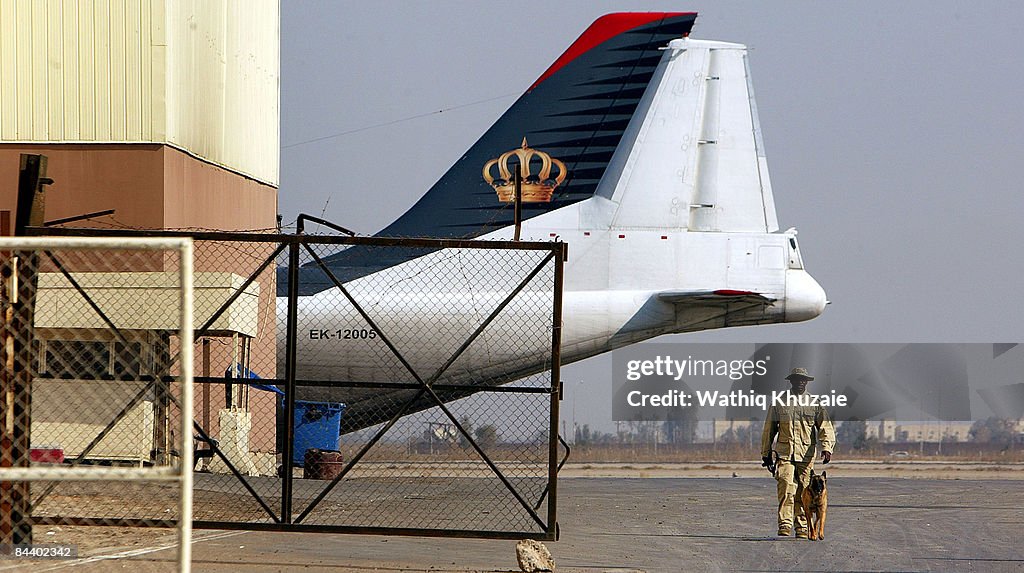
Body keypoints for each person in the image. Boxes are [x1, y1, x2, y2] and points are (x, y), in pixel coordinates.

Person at [760, 367, 835, 538]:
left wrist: (827, 447)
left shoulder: (815, 403)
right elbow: (769, 429)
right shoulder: (779, 402)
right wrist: (766, 453)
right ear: (791, 381)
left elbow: (825, 427)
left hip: (806, 454)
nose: (800, 382)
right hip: (784, 453)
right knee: (786, 485)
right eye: (797, 379)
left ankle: (801, 526)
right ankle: (785, 524)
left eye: (803, 379)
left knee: (804, 490)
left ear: (807, 382)